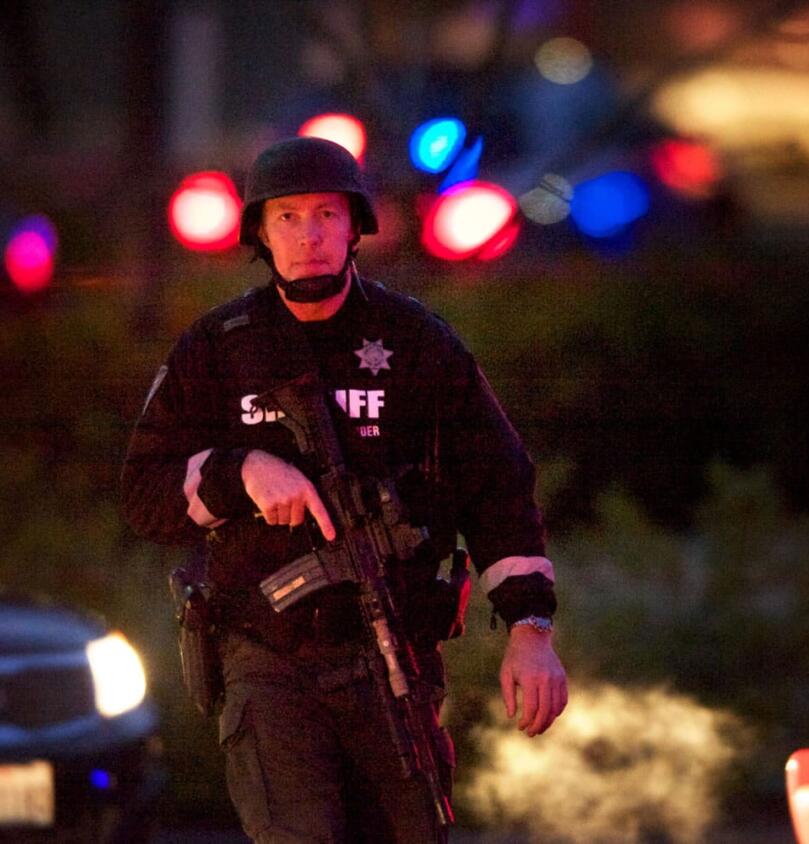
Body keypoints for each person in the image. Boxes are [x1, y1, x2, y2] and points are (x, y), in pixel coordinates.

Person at [121, 136, 567, 843]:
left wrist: (530, 631)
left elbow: (499, 488)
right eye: (288, 217)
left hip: (394, 657)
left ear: (356, 225)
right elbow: (144, 495)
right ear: (260, 234)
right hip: (268, 661)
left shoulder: (416, 343)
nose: (309, 235)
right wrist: (239, 472)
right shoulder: (217, 348)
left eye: (327, 214)